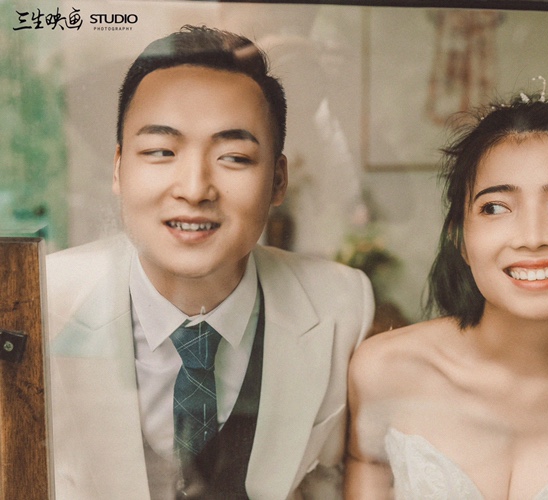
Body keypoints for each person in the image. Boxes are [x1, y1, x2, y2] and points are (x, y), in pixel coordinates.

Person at [46, 25, 374, 499]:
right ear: (118, 168)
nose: (195, 189)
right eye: (161, 152)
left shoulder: (341, 304)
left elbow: (332, 477)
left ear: (278, 180)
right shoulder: (42, 301)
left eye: (234, 157)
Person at [345, 91, 548, 499]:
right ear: (460, 241)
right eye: (495, 207)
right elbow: (369, 464)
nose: (533, 238)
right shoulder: (385, 370)